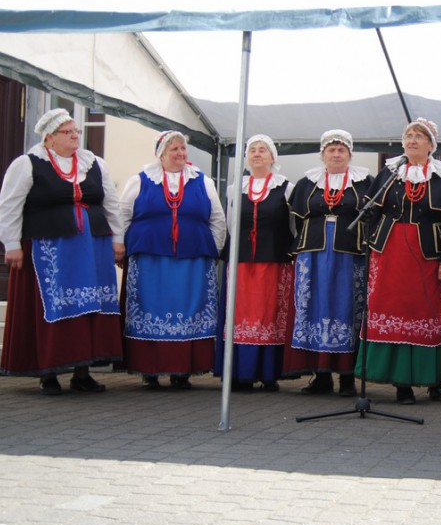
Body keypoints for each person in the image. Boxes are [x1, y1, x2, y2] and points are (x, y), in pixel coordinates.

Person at [0, 108, 124, 395]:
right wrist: (11, 244)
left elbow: (111, 204)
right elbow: (10, 205)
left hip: (92, 249)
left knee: (89, 307)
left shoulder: (95, 164)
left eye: (76, 131)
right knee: (51, 309)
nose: (75, 136)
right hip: (48, 248)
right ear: (50, 138)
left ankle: (82, 371)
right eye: (68, 132)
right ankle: (49, 373)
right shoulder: (28, 164)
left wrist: (118, 239)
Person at [358, 118, 441, 404]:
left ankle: (434, 379)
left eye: (418, 136)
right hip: (390, 253)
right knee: (392, 309)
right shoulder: (390, 171)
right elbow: (370, 211)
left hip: (427, 254)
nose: (412, 140)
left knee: (428, 312)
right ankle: (402, 384)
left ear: (431, 144)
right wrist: (370, 240)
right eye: (408, 136)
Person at [118, 131, 226, 390]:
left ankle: (183, 370)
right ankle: (149, 370)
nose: (180, 153)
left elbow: (217, 218)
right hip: (150, 259)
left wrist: (212, 248)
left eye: (182, 149)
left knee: (189, 309)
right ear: (161, 154)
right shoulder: (141, 180)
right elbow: (122, 213)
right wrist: (120, 246)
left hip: (192, 259)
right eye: (174, 149)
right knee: (149, 308)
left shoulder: (202, 181)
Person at [286, 129, 372, 397]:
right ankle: (320, 375)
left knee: (347, 308)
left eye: (341, 150)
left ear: (350, 154)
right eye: (331, 150)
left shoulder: (365, 181)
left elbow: (373, 217)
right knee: (316, 307)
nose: (336, 154)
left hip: (349, 254)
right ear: (322, 154)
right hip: (313, 254)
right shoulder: (307, 183)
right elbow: (295, 220)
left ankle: (347, 377)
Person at [214, 134, 295, 392]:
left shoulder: (287, 188)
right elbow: (230, 224)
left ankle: (268, 373)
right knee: (240, 313)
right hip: (241, 262)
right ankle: (239, 372)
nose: (257, 154)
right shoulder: (234, 189)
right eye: (252, 150)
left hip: (273, 259)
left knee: (268, 313)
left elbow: (293, 226)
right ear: (246, 158)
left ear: (273, 157)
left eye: (263, 150)